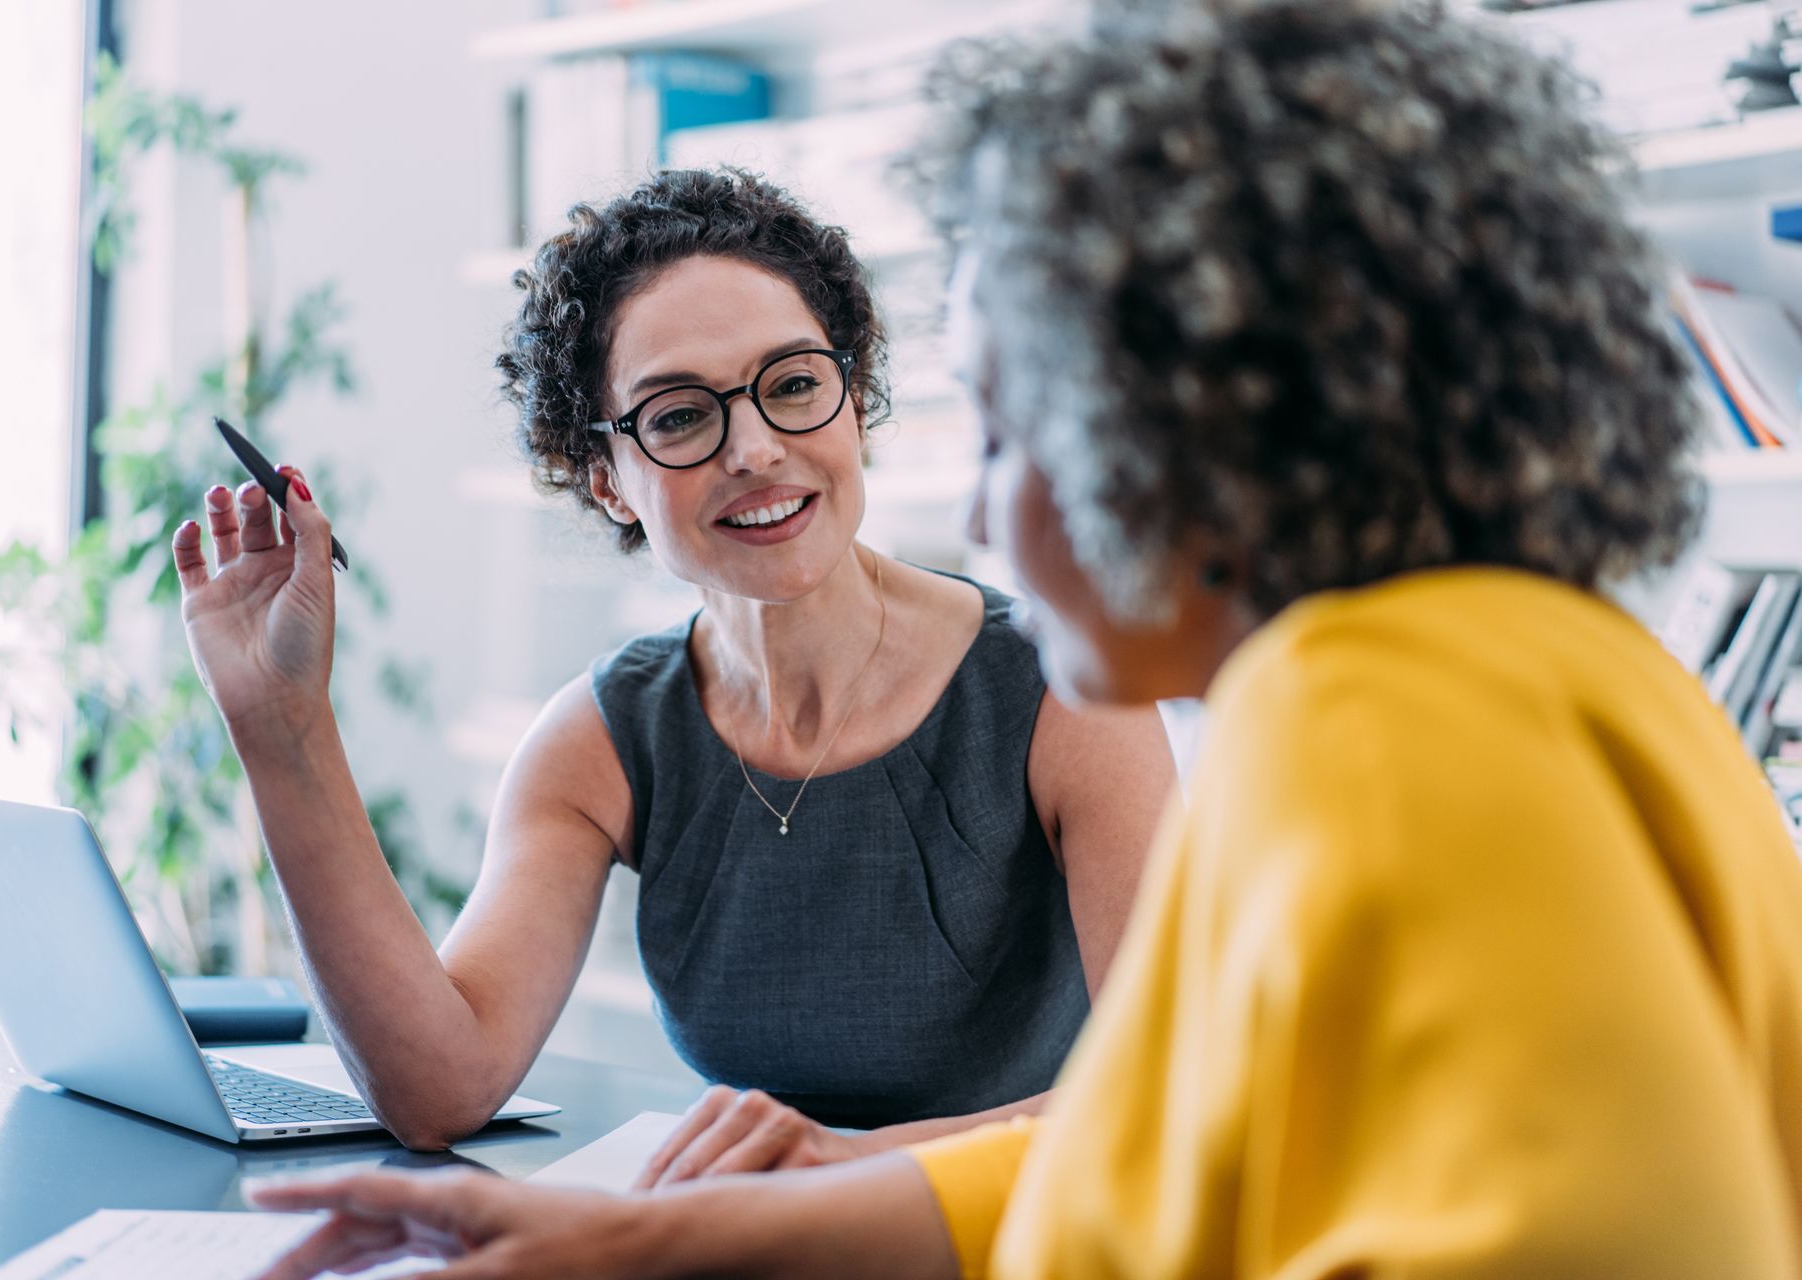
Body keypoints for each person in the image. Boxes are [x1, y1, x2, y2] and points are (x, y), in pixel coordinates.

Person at [246, 2, 1802, 1277]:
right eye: (681, 418)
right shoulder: (1494, 666)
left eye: (1006, 433)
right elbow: (1168, 1151)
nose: (984, 527)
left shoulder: (1387, 717)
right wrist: (671, 1245)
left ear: (1189, 425)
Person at [170, 168, 1174, 1168]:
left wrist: (840, 1168)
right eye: (680, 415)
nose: (755, 448)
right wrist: (281, 722)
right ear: (605, 479)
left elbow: (1175, 1089)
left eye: (793, 385)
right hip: (748, 1240)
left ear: (855, 404)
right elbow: (439, 1085)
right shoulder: (601, 739)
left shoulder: (1066, 691)